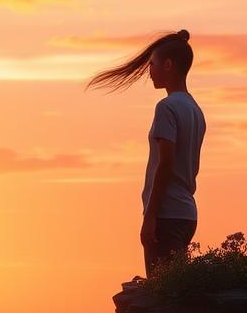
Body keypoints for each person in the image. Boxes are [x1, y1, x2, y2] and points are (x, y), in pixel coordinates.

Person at [87, 29, 206, 277]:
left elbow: (166, 163)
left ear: (169, 65)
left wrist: (150, 216)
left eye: (152, 65)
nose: (149, 71)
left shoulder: (167, 107)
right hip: (187, 215)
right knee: (174, 288)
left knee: (162, 293)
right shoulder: (195, 109)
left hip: (167, 214)